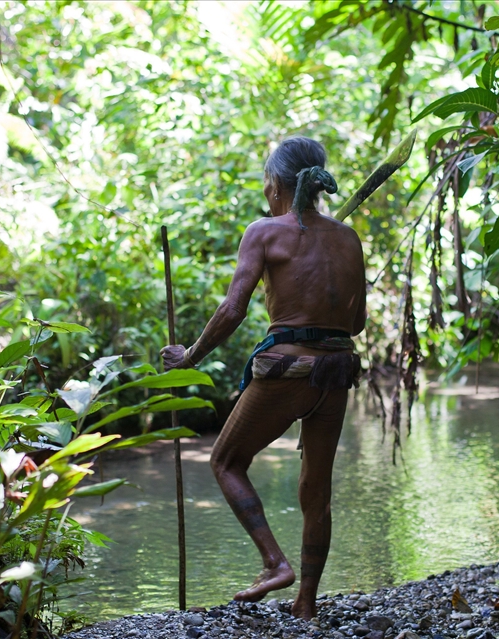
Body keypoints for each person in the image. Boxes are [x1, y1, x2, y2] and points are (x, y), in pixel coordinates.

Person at [161, 136, 366, 620]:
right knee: (316, 490)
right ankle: (306, 605)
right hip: (336, 373)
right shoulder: (348, 238)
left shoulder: (264, 231)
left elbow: (234, 308)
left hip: (285, 372)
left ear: (276, 185)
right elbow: (355, 326)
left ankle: (275, 563)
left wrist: (189, 356)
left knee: (226, 461)